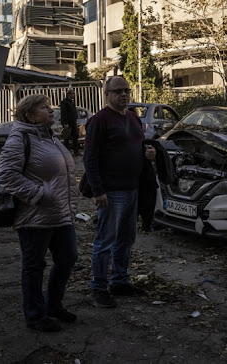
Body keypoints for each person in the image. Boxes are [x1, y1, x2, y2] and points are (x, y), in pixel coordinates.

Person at [0, 94, 79, 332]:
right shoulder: (19, 138)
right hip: (34, 216)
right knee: (34, 266)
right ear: (29, 114)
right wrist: (39, 194)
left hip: (60, 213)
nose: (51, 110)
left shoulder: (50, 137)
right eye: (45, 108)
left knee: (68, 258)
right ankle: (35, 315)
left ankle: (53, 305)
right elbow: (7, 175)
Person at [84, 77, 155, 308]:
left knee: (126, 239)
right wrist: (98, 191)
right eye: (118, 91)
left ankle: (120, 281)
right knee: (105, 241)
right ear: (107, 94)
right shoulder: (99, 120)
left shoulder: (133, 117)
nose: (124, 94)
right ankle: (99, 288)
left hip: (132, 188)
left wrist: (149, 154)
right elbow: (90, 158)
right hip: (111, 192)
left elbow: (137, 145)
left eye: (126, 90)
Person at [60, 89, 79, 156]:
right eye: (73, 94)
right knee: (67, 138)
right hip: (68, 123)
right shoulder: (64, 102)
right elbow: (64, 113)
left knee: (75, 136)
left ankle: (76, 151)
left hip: (73, 122)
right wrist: (65, 123)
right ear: (69, 94)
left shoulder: (71, 102)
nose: (74, 95)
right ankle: (66, 152)